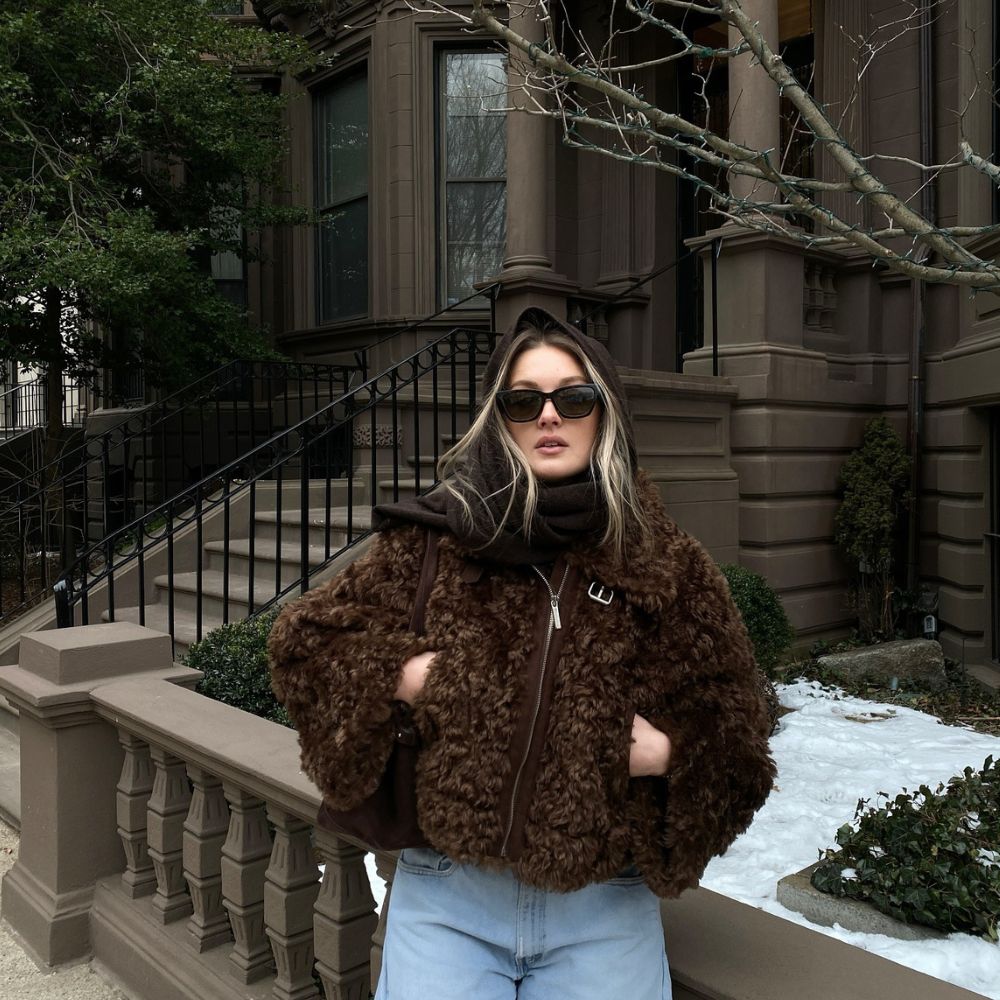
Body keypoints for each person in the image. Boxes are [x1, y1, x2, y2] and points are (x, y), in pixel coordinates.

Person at [268, 307, 776, 1000]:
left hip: (603, 907)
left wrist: (671, 753)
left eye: (573, 397)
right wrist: (404, 674)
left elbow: (742, 734)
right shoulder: (436, 539)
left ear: (605, 413)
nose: (548, 416)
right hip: (449, 896)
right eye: (522, 399)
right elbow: (305, 644)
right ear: (498, 418)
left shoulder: (664, 565)